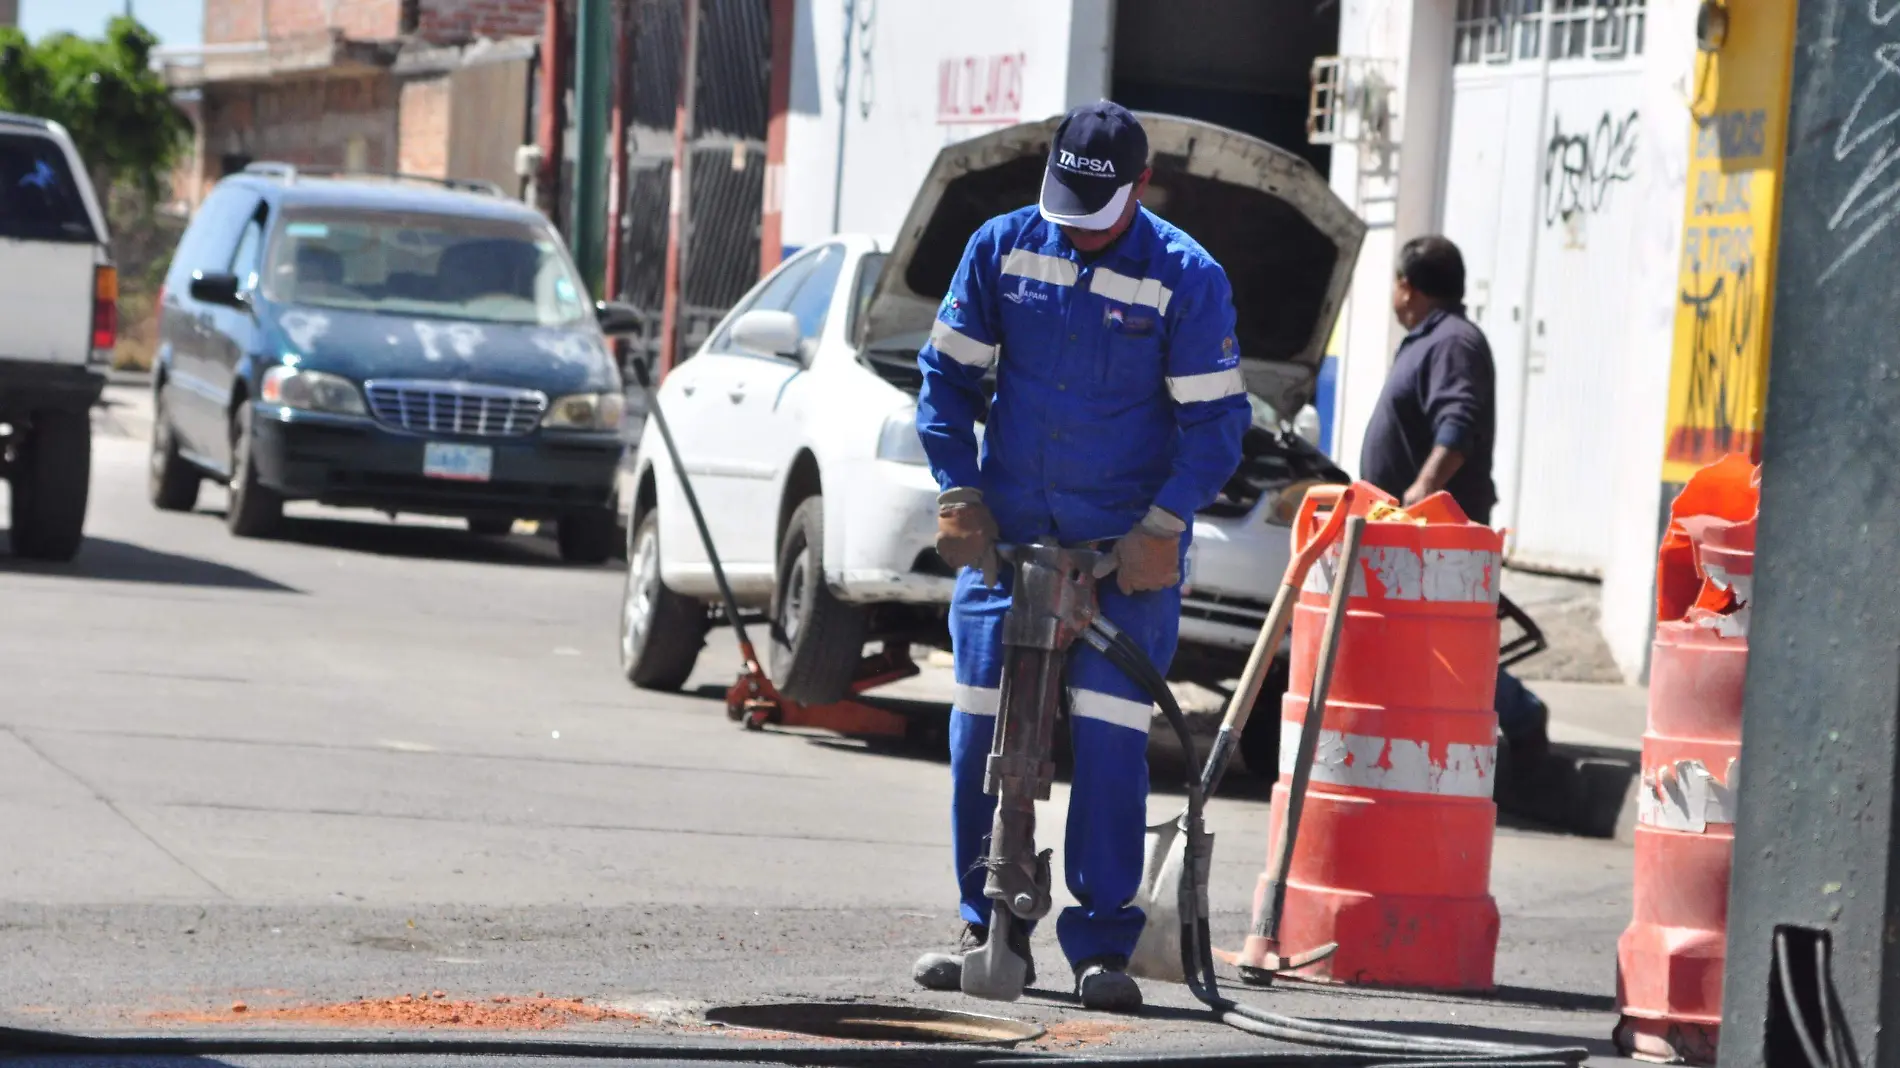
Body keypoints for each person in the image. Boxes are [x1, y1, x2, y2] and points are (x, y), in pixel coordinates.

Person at [910, 101, 1250, 1013]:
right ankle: (986, 920)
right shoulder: (1004, 247)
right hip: (1010, 545)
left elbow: (1217, 424)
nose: (1076, 230)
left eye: (1097, 212)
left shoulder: (1186, 277)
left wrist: (1164, 524)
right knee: (982, 733)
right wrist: (959, 488)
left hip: (1117, 561)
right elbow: (945, 380)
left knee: (1107, 743)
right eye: (1066, 206)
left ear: (1142, 188)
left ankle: (1101, 946)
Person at [1359, 235, 1550, 761]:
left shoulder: (1453, 343)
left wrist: (1422, 493)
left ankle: (1523, 718)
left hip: (1436, 528)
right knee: (1424, 641)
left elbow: (1458, 423)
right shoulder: (1429, 339)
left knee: (1445, 643)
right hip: (1408, 527)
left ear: (1406, 286)